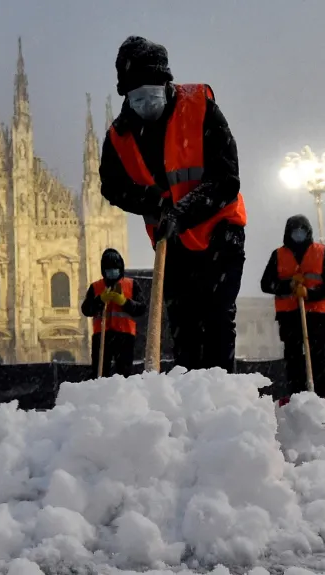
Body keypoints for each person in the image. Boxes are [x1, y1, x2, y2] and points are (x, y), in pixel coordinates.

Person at [99, 35, 247, 373]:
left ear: (166, 85)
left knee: (217, 319)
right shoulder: (120, 135)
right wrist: (149, 200)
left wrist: (182, 212)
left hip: (220, 231)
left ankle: (222, 395)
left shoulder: (200, 107)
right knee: (184, 328)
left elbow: (227, 179)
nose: (145, 104)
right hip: (171, 241)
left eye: (151, 94)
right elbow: (111, 186)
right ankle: (190, 396)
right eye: (136, 97)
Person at [259, 214, 325, 398]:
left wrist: (311, 294)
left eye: (302, 230)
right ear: (288, 233)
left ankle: (318, 396)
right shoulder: (278, 255)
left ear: (308, 231)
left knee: (317, 359)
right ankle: (296, 397)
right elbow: (266, 284)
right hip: (289, 316)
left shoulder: (321, 252)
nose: (298, 234)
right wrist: (288, 286)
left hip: (317, 315)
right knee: (293, 360)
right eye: (295, 231)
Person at [81, 248, 146, 377]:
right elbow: (86, 310)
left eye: (115, 269)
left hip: (125, 336)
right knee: (99, 373)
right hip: (101, 335)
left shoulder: (132, 284)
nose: (112, 272)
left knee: (124, 373)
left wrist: (124, 302)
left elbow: (141, 309)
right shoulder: (95, 287)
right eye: (108, 270)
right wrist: (99, 300)